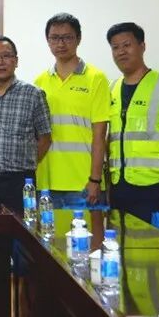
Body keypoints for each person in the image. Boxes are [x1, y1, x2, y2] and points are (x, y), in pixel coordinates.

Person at [106, 22, 159, 223]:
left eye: (127, 45)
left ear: (142, 46)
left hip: (154, 185)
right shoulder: (112, 88)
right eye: (115, 47)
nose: (121, 52)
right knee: (121, 239)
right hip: (119, 185)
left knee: (152, 241)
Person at [0, 36, 51, 213]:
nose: (0, 62)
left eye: (6, 56)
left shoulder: (33, 94)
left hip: (19, 182)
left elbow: (45, 138)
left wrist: (26, 162)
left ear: (16, 61)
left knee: (21, 229)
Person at [34, 13, 110, 208]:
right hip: (46, 183)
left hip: (83, 184)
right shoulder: (40, 82)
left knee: (87, 230)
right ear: (48, 41)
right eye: (55, 38)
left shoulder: (96, 78)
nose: (61, 44)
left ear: (79, 39)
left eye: (67, 37)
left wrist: (95, 179)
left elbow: (100, 134)